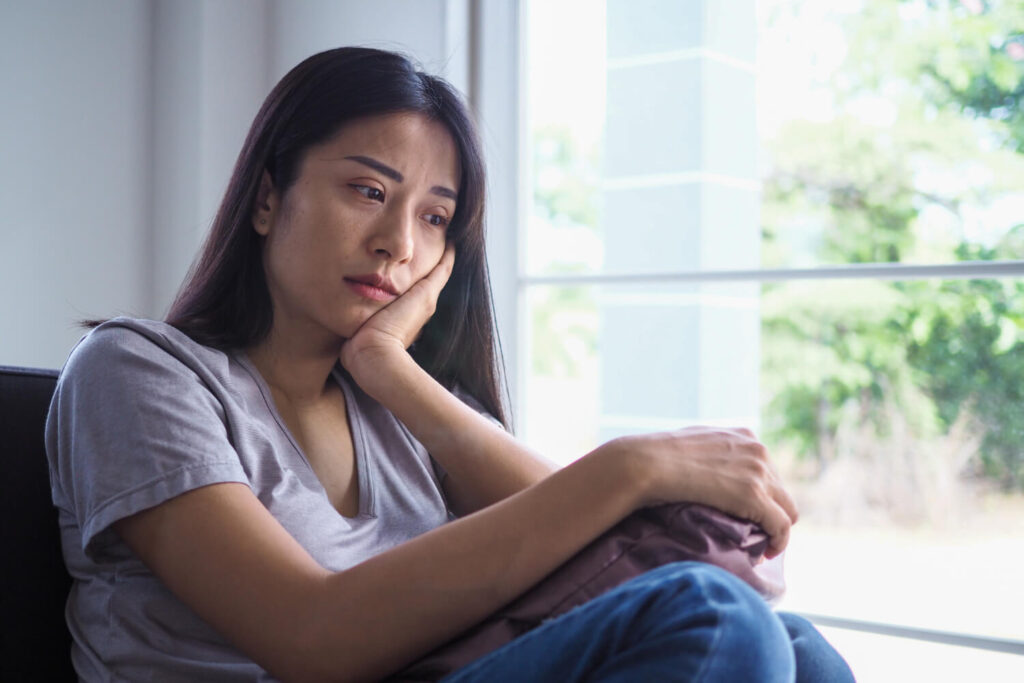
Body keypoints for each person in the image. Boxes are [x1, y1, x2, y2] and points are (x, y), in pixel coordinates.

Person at [46, 47, 854, 682]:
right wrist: (631, 465)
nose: (400, 243)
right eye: (368, 191)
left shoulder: (398, 405)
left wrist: (390, 369)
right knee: (715, 618)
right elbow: (310, 637)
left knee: (801, 650)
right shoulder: (136, 371)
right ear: (267, 199)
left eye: (436, 218)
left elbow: (605, 565)